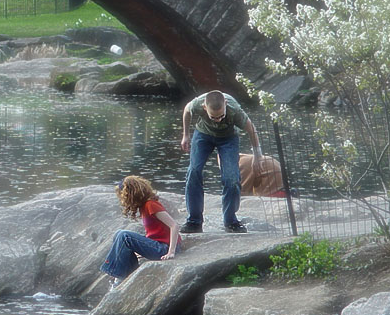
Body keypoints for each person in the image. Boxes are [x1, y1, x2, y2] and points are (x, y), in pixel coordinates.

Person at [179, 89, 266, 234]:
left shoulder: (234, 110)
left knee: (231, 178)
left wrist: (257, 156)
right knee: (194, 171)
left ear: (225, 104)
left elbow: (252, 129)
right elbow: (187, 111)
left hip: (228, 139)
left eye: (221, 116)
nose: (218, 120)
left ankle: (230, 221)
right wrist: (186, 135)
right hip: (203, 135)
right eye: (214, 117)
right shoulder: (197, 104)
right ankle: (194, 221)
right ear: (204, 108)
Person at [100, 175, 180, 286]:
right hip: (158, 246)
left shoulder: (151, 205)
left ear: (131, 193)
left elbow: (174, 225)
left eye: (123, 196)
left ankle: (118, 276)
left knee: (124, 235)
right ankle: (127, 272)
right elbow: (155, 232)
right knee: (119, 233)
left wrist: (171, 252)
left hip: (164, 249)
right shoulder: (143, 206)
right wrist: (141, 249)